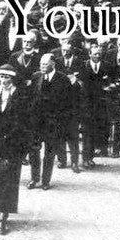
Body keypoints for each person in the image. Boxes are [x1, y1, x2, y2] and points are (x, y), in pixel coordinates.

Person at [0, 64, 27, 234]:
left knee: (9, 179)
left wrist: (15, 140)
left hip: (12, 145)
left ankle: (4, 215)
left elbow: (23, 121)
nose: (4, 80)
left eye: (7, 77)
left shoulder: (20, 95)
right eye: (1, 77)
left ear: (13, 78)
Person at [30, 53, 72, 190]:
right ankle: (34, 178)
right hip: (37, 122)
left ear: (53, 64)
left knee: (49, 152)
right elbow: (31, 99)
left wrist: (62, 122)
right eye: (41, 64)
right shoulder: (36, 77)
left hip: (53, 123)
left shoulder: (63, 79)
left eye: (45, 64)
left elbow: (68, 103)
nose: (42, 66)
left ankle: (45, 181)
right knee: (34, 151)